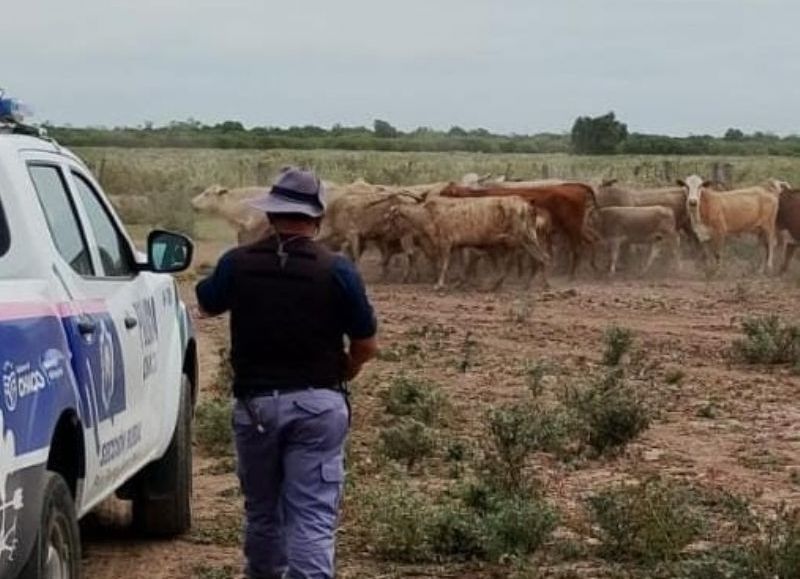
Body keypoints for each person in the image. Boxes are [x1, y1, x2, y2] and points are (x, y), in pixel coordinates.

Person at [195, 167, 378, 579]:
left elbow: (206, 304)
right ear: (317, 218)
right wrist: (347, 370)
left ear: (271, 215)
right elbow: (366, 344)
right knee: (311, 513)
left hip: (256, 406)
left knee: (263, 512)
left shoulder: (237, 263)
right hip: (318, 404)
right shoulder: (337, 269)